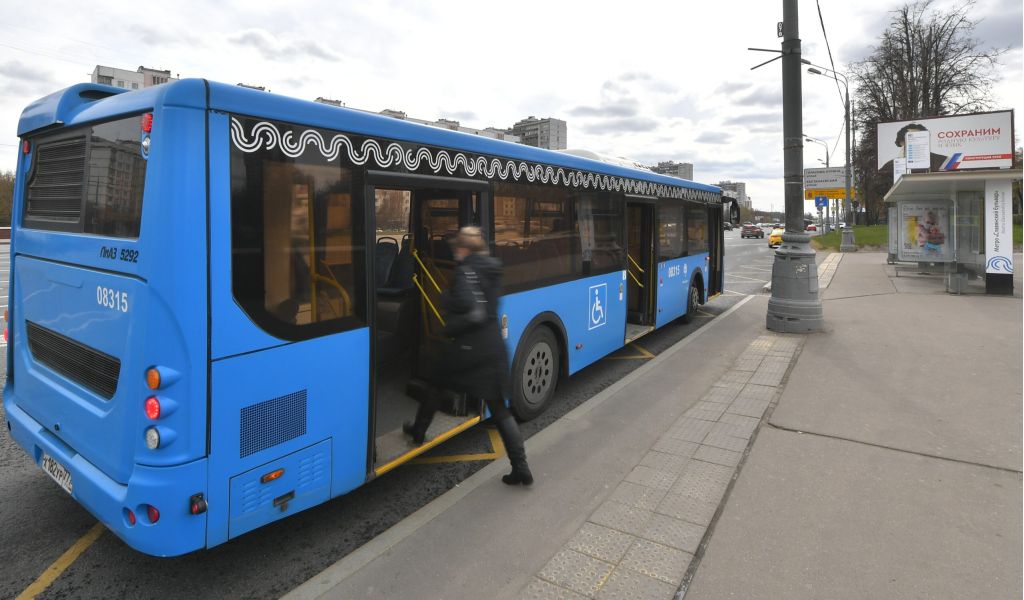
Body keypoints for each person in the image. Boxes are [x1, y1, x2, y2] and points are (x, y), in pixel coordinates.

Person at [403, 226, 533, 486]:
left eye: (456, 249)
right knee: (499, 409)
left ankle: (418, 431)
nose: (455, 254)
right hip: (493, 347)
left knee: (436, 384)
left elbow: (470, 309)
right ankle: (521, 467)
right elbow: (488, 307)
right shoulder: (493, 268)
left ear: (463, 249)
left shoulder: (465, 272)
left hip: (467, 348)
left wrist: (446, 303)